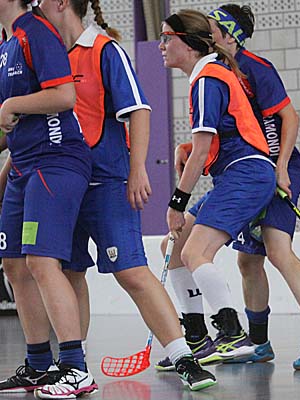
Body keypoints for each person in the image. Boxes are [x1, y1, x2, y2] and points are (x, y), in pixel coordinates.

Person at [31, 0, 216, 392]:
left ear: (62, 3)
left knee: (131, 271)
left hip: (106, 182)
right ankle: (73, 365)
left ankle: (184, 357)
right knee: (69, 272)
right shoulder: (45, 55)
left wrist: (137, 169)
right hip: (61, 185)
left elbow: (139, 110)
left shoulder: (104, 50)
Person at [155, 3, 300, 371]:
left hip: (270, 168)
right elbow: (231, 129)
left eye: (212, 29)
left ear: (229, 37)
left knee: (277, 250)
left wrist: (282, 168)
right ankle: (247, 341)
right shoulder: (219, 70)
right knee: (239, 259)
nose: (208, 34)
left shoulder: (251, 69)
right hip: (243, 169)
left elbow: (289, 118)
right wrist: (190, 148)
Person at [157, 6, 277, 369]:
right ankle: (196, 338)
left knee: (195, 252)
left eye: (167, 38)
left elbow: (204, 150)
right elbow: (216, 140)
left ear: (189, 44)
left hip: (246, 173)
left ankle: (233, 333)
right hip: (235, 174)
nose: (161, 45)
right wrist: (189, 149)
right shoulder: (208, 74)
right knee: (174, 248)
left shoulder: (208, 78)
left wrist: (177, 202)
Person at [0, 0, 95, 397]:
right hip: (23, 167)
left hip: (54, 162)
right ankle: (39, 364)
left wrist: (11, 105)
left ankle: (75, 367)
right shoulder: (6, 43)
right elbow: (9, 124)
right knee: (14, 265)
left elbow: (64, 96)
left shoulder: (35, 32)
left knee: (41, 261)